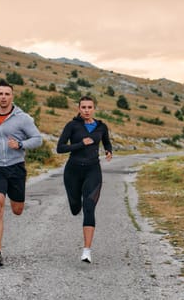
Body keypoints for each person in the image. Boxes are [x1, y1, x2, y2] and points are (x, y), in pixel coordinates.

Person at [0, 79, 42, 267]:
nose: (3, 97)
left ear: (12, 97)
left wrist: (21, 144)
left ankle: (16, 203)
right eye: (0, 94)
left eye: (7, 94)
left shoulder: (23, 118)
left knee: (17, 210)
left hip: (16, 167)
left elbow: (37, 139)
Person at [57, 95, 112, 263]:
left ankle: (87, 251)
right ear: (79, 109)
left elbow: (106, 142)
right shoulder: (72, 125)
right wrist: (81, 144)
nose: (87, 110)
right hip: (73, 171)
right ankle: (76, 204)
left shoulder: (101, 126)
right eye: (83, 107)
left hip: (93, 170)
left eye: (90, 107)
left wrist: (109, 150)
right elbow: (60, 148)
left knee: (89, 206)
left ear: (94, 108)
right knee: (75, 208)